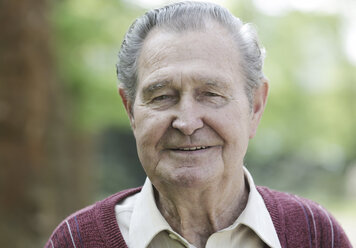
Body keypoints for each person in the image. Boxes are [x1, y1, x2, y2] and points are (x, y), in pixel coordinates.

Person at [44, 2, 351, 248]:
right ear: (130, 111)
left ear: (255, 107)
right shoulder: (76, 241)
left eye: (211, 94)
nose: (187, 122)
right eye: (162, 96)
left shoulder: (314, 235)